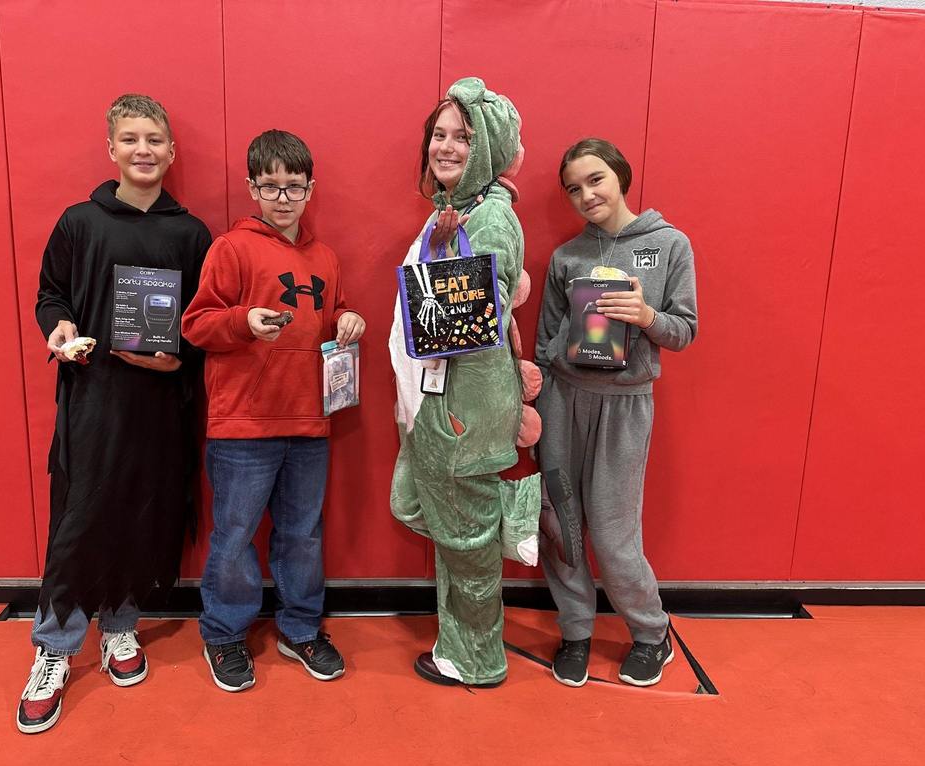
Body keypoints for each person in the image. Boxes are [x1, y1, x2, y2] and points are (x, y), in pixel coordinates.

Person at [18, 94, 211, 734]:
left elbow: (204, 321)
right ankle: (54, 646)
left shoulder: (192, 233)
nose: (144, 150)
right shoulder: (79, 223)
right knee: (82, 517)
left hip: (161, 404)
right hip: (93, 398)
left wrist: (177, 358)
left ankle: (121, 625)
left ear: (171, 151)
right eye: (130, 139)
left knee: (144, 514)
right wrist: (60, 327)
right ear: (112, 150)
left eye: (154, 139)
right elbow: (51, 295)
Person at [181, 129, 365, 692]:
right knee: (235, 535)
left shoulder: (325, 257)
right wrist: (243, 321)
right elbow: (196, 324)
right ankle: (225, 633)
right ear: (251, 188)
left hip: (311, 420)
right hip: (244, 423)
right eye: (270, 186)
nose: (282, 197)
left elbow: (329, 316)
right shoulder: (230, 249)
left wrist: (348, 318)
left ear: (311, 189)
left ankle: (301, 627)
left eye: (294, 186)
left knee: (302, 534)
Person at [389, 77, 542, 688]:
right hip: (435, 399)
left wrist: (448, 411)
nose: (445, 147)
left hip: (459, 406)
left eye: (463, 137)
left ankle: (476, 658)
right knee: (422, 510)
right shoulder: (460, 212)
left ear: (490, 148)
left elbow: (475, 326)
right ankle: (503, 518)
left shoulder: (493, 218)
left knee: (467, 541)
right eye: (439, 134)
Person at [535, 138, 698, 688]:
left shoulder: (669, 244)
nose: (586, 195)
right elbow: (541, 343)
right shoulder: (566, 257)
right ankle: (576, 631)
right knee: (562, 523)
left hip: (625, 407)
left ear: (621, 176)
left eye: (596, 179)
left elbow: (685, 330)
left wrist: (647, 315)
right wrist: (542, 386)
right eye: (574, 189)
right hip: (562, 401)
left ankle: (652, 633)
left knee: (612, 531)